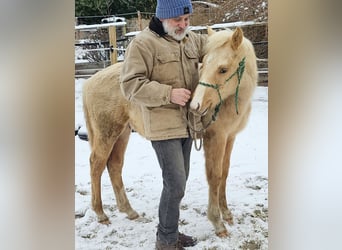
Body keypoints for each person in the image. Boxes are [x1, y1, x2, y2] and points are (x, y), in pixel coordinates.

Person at [120, 0, 206, 249]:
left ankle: (171, 232)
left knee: (179, 182)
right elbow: (130, 85)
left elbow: (215, 46)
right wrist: (168, 94)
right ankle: (166, 241)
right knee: (176, 183)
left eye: (187, 19)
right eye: (178, 20)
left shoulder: (190, 39)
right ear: (163, 17)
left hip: (188, 123)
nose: (184, 25)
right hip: (163, 126)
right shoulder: (143, 43)